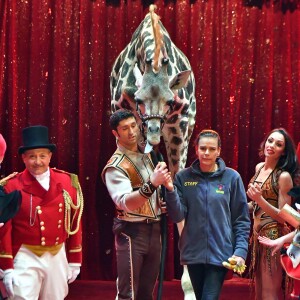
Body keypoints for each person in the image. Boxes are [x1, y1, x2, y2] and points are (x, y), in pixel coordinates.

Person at [164, 129, 251, 300]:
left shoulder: (232, 178)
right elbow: (176, 215)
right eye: (203, 148)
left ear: (219, 151)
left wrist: (240, 251)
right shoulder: (183, 177)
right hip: (193, 253)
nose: (206, 153)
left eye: (212, 149)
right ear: (195, 149)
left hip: (221, 254)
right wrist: (170, 190)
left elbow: (241, 220)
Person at [0, 125, 84, 300]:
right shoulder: (11, 186)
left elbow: (74, 222)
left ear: (50, 156)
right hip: (25, 255)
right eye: (32, 156)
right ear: (23, 158)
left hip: (57, 253)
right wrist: (6, 267)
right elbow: (4, 230)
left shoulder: (68, 182)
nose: (37, 161)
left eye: (42, 156)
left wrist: (75, 258)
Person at [101, 109, 170, 300]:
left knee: (147, 292)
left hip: (154, 229)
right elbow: (124, 203)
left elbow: (149, 193)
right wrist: (153, 184)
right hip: (131, 232)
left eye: (133, 126)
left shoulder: (146, 152)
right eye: (125, 128)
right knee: (127, 294)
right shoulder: (115, 165)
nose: (131, 132)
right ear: (116, 133)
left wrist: (159, 204)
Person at [247, 128, 298, 300]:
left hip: (273, 237)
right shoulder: (259, 167)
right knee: (259, 292)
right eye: (270, 141)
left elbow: (284, 218)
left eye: (278, 144)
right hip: (256, 237)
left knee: (269, 293)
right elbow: (255, 205)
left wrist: (259, 200)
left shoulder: (283, 177)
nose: (272, 146)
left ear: (284, 151)